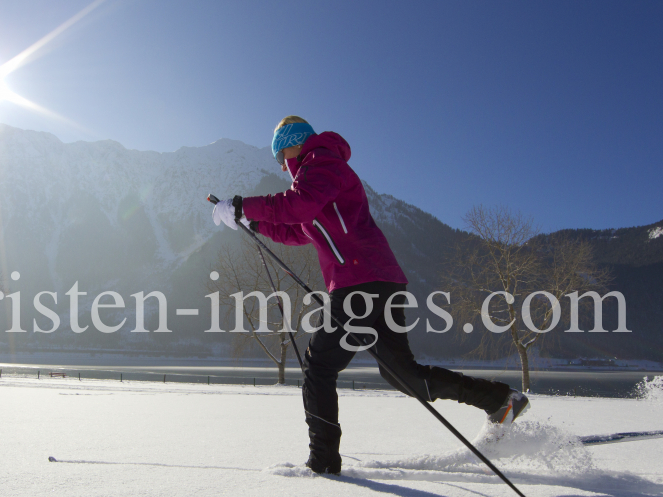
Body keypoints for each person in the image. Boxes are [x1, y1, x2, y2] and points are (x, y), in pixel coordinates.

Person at [211, 116, 528, 475]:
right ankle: (501, 400)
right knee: (403, 375)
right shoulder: (317, 176)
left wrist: (241, 205)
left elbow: (297, 205)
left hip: (359, 282)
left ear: (293, 144)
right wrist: (253, 223)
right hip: (379, 282)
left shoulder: (322, 162)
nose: (281, 165)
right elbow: (299, 231)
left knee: (319, 367)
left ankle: (323, 463)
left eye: (280, 155)